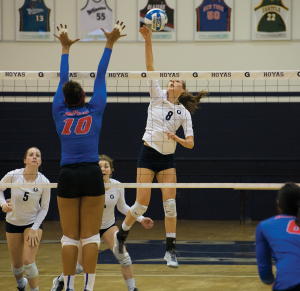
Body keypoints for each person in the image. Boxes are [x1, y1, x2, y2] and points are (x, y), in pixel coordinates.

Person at [113, 25, 208, 268]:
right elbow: (150, 67)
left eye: (176, 80)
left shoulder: (184, 113)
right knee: (141, 205)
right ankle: (121, 236)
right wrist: (148, 39)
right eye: (171, 78)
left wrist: (175, 139)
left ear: (183, 89)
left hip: (167, 160)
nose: (171, 81)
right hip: (148, 154)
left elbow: (191, 143)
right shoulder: (157, 95)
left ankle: (171, 251)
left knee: (170, 204)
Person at [52, 23, 126, 291]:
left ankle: (69, 287)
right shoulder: (94, 109)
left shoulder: (59, 112)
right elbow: (101, 76)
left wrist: (64, 48)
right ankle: (88, 288)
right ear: (84, 96)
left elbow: (63, 81)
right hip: (92, 174)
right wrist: (110, 43)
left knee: (70, 238)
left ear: (64, 98)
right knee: (90, 236)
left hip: (68, 175)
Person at [51, 154, 154, 291]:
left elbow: (123, 207)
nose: (103, 169)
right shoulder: (86, 186)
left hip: (108, 227)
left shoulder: (117, 185)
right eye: (99, 167)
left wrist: (141, 218)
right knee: (79, 267)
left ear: (111, 170)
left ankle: (132, 289)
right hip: (88, 228)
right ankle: (59, 280)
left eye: (106, 166)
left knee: (124, 258)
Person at [0, 147, 51, 291]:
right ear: (25, 160)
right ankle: (21, 285)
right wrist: (3, 203)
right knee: (17, 265)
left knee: (28, 262)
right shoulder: (13, 175)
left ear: (40, 161)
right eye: (31, 155)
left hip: (32, 223)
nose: (34, 157)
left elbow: (45, 208)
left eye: (38, 155)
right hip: (13, 222)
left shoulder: (44, 182)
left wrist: (34, 229)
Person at [255, 183, 300, 291]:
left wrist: (271, 282)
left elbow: (264, 271)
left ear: (278, 203)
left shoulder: (264, 226)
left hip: (289, 283)